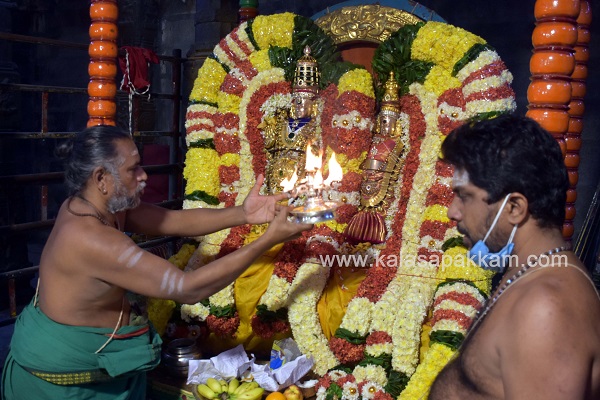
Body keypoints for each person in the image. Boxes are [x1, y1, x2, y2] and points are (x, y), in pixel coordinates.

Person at [1, 125, 312, 400]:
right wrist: (267, 240)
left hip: (100, 362)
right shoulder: (91, 239)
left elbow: (171, 220)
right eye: (134, 170)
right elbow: (187, 288)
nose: (144, 176)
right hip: (65, 382)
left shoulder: (96, 204)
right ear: (101, 178)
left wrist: (244, 214)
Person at [428, 114, 600, 399]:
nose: (452, 212)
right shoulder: (533, 277)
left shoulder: (546, 308)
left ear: (515, 208)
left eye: (465, 196)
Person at [261, 45, 321, 193]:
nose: (300, 104)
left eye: (304, 100)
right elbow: (269, 147)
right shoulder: (282, 120)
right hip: (276, 180)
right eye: (297, 100)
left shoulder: (316, 125)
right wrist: (269, 131)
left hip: (301, 184)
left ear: (313, 104)